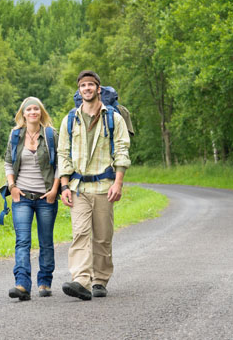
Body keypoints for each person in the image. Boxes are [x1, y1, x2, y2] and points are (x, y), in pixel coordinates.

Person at [58, 70, 131, 300]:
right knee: (80, 234)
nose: (87, 89)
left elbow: (121, 151)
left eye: (91, 85)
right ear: (79, 90)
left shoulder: (113, 118)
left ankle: (100, 280)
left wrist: (118, 183)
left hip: (104, 186)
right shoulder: (70, 119)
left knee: (102, 236)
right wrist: (63, 185)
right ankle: (81, 280)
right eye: (83, 86)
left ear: (98, 89)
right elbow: (63, 154)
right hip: (78, 188)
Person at [4, 97, 60, 301]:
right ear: (23, 113)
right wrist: (13, 187)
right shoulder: (15, 135)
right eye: (29, 109)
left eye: (36, 108)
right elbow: (8, 163)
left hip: (47, 196)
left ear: (41, 112)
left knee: (46, 241)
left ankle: (45, 281)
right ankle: (22, 285)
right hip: (22, 197)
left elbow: (60, 165)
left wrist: (55, 190)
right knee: (23, 241)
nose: (33, 112)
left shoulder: (50, 134)